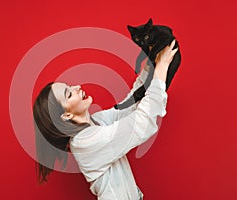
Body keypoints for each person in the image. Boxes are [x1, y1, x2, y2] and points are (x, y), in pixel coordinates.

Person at [33, 40, 178, 199]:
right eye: (69, 94)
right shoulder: (86, 142)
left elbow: (130, 104)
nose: (77, 87)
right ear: (66, 115)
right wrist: (162, 66)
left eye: (70, 85)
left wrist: (151, 64)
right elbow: (141, 123)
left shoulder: (96, 122)